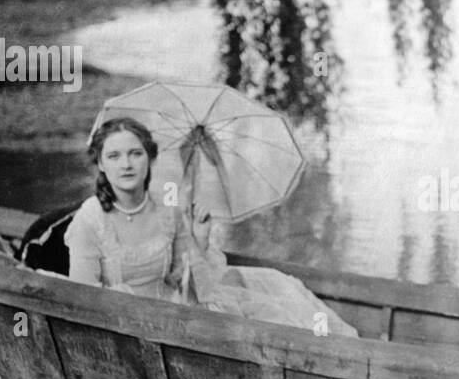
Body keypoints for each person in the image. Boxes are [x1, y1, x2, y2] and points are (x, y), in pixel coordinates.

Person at [67, 117, 357, 336]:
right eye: (114, 156)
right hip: (122, 328)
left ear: (150, 158)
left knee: (281, 307)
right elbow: (83, 300)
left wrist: (198, 240)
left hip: (180, 311)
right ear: (101, 165)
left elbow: (183, 281)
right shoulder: (90, 221)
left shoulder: (167, 208)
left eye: (135, 153)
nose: (126, 165)